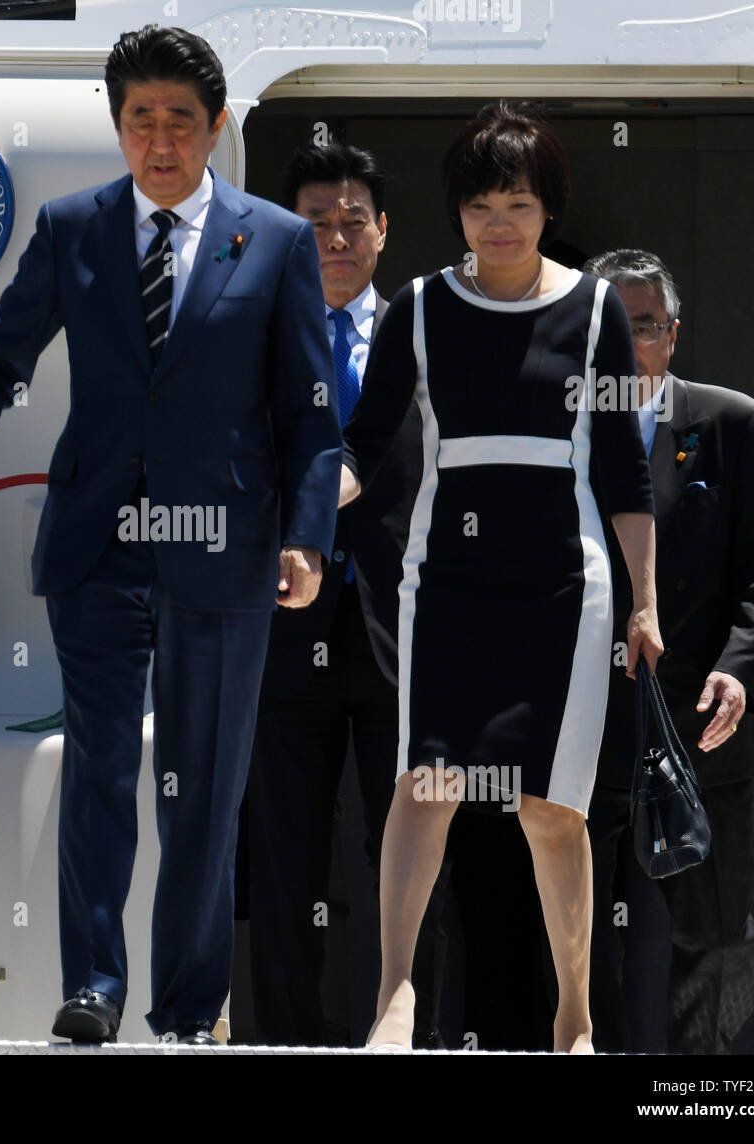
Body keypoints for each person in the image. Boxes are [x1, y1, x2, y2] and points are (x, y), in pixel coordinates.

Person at [0, 25, 342, 1044]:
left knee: (205, 790)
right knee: (95, 773)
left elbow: (309, 414)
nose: (161, 139)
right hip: (99, 546)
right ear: (119, 127)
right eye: (141, 119)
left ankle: (186, 1009)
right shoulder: (73, 228)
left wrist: (304, 536)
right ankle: (91, 987)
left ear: (215, 127)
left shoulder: (272, 239)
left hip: (225, 550)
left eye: (181, 118)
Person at [342, 101, 662, 1053]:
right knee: (427, 784)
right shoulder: (419, 308)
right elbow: (363, 441)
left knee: (551, 811)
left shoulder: (599, 309)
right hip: (445, 583)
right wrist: (308, 517)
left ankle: (574, 1014)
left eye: (517, 202)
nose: (499, 222)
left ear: (547, 208)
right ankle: (394, 997)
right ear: (457, 212)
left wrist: (644, 601)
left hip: (566, 591)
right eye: (481, 203)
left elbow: (624, 467)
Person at [241, 140, 447, 1048]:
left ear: (384, 229)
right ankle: (290, 1037)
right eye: (315, 221)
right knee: (286, 854)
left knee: (411, 853)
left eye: (351, 218)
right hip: (282, 629)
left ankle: (407, 1033)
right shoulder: (249, 335)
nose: (333, 235)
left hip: (402, 630)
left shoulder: (432, 334)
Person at [582, 248, 754, 1054]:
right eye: (606, 325)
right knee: (578, 935)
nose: (624, 342)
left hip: (703, 729)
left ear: (671, 336)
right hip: (584, 730)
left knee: (713, 935)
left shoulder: (735, 423)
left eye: (640, 326)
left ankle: (705, 1098)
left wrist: (737, 673)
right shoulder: (555, 430)